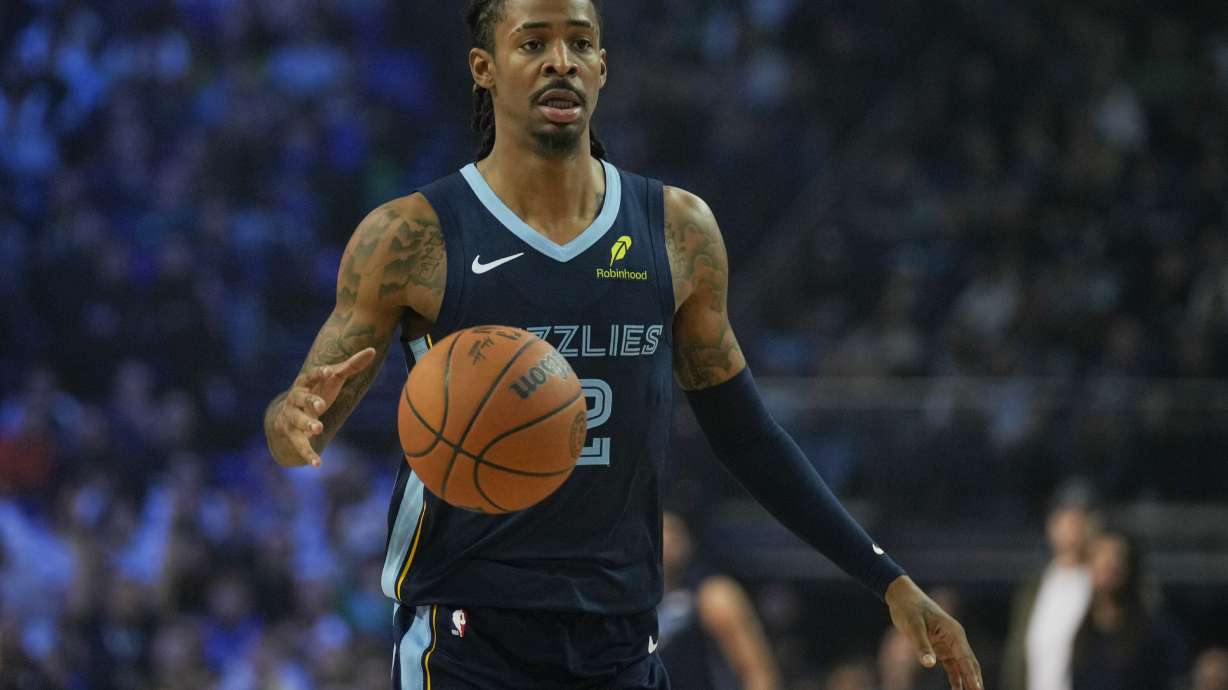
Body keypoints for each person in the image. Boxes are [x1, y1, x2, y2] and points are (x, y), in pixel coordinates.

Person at [263, 1, 982, 688]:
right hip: (464, 638)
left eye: (579, 43)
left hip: (621, 642)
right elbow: (300, 424)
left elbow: (749, 438)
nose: (561, 62)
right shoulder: (411, 237)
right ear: (483, 67)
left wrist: (885, 578)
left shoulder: (677, 230)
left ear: (604, 67)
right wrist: (291, 426)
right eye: (533, 43)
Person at [658, 511, 779, 690]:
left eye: (671, 530)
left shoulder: (713, 596)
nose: (665, 539)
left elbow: (757, 672)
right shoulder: (627, 604)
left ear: (687, 541)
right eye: (658, 529)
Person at [1000, 481, 1099, 690]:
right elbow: (1017, 657)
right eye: (1065, 517)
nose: (1073, 525)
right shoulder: (1034, 587)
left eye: (1081, 518)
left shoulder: (1104, 585)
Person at [1069, 529, 1187, 690]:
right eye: (1099, 557)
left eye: (1116, 557)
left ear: (1130, 567)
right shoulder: (1081, 631)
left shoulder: (1156, 631)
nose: (1108, 564)